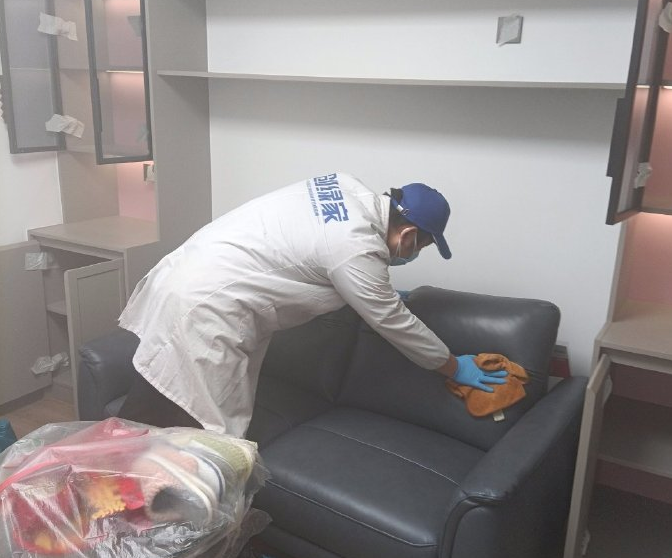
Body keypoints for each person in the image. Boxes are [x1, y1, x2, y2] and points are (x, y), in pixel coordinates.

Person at [117, 172, 507, 436]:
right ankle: (190, 530)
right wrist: (453, 366)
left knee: (156, 398)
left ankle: (107, 483)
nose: (413, 255)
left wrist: (370, 295)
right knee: (209, 439)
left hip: (184, 276)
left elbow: (310, 255)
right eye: (420, 246)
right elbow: (393, 322)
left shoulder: (342, 184)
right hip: (209, 311)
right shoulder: (356, 249)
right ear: (407, 235)